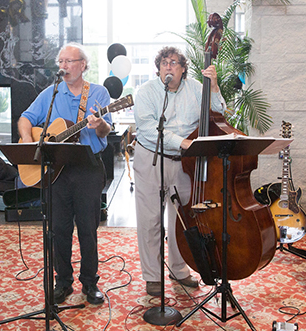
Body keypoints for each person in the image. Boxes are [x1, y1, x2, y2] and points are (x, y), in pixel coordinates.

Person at [17, 43, 111, 305]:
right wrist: (27, 140)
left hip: (88, 168)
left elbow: (104, 132)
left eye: (69, 61)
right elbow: (26, 118)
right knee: (58, 229)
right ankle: (63, 282)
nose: (63, 67)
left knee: (87, 229)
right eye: (60, 62)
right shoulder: (51, 92)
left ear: (83, 64)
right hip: (56, 170)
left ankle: (90, 283)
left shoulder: (99, 93)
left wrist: (100, 123)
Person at [132, 46, 225, 296]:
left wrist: (213, 87)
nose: (168, 67)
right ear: (159, 68)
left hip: (185, 163)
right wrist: (182, 142)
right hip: (151, 159)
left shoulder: (197, 88)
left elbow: (220, 114)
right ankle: (152, 276)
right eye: (164, 63)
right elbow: (149, 129)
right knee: (150, 221)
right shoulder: (147, 91)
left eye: (174, 62)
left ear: (183, 68)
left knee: (182, 221)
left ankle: (178, 270)